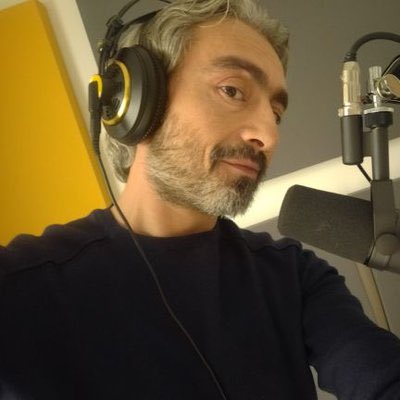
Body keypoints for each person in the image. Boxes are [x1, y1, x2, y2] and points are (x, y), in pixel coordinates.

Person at [1, 0, 400, 399]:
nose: (268, 135)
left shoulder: (294, 274)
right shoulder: (19, 289)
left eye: (275, 113)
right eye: (232, 90)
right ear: (136, 100)